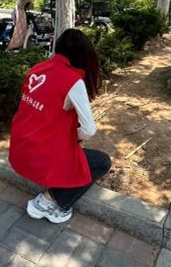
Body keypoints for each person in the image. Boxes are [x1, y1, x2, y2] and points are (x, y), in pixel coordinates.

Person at [9, 28, 111, 223]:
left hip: (19, 150)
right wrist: (73, 138)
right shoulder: (73, 80)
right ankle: (49, 201)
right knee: (101, 162)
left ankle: (49, 196)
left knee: (73, 143)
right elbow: (89, 130)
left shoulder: (38, 68)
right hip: (41, 155)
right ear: (84, 55)